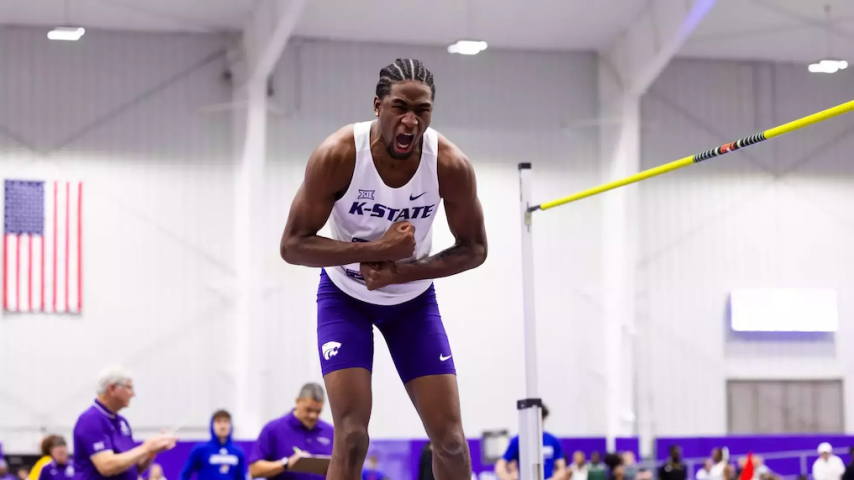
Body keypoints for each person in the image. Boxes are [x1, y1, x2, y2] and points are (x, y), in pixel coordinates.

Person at [279, 58, 487, 480]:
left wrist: (401, 272)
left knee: (451, 441)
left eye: (422, 110)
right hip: (345, 299)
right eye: (400, 108)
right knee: (352, 437)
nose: (411, 121)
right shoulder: (339, 155)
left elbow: (475, 248)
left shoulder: (449, 165)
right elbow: (292, 245)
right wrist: (376, 249)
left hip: (412, 302)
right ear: (378, 106)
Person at [72, 365, 177, 480]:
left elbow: (132, 468)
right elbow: (106, 466)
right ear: (112, 389)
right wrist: (146, 448)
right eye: (129, 387)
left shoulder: (122, 422)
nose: (132, 394)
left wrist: (152, 451)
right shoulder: (90, 420)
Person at [247, 383, 334, 480]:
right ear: (297, 401)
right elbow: (254, 470)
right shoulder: (273, 429)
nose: (313, 415)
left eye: (318, 411)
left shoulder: (331, 432)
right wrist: (286, 464)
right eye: (308, 410)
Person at [494, 405, 566, 480]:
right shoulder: (518, 440)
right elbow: (500, 466)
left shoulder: (552, 441)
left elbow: (561, 468)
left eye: (541, 418)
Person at [180, 410, 247, 480]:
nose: (222, 426)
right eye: (218, 422)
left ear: (230, 425)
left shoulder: (237, 452)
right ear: (212, 425)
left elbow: (242, 477)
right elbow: (185, 474)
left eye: (226, 421)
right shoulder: (200, 450)